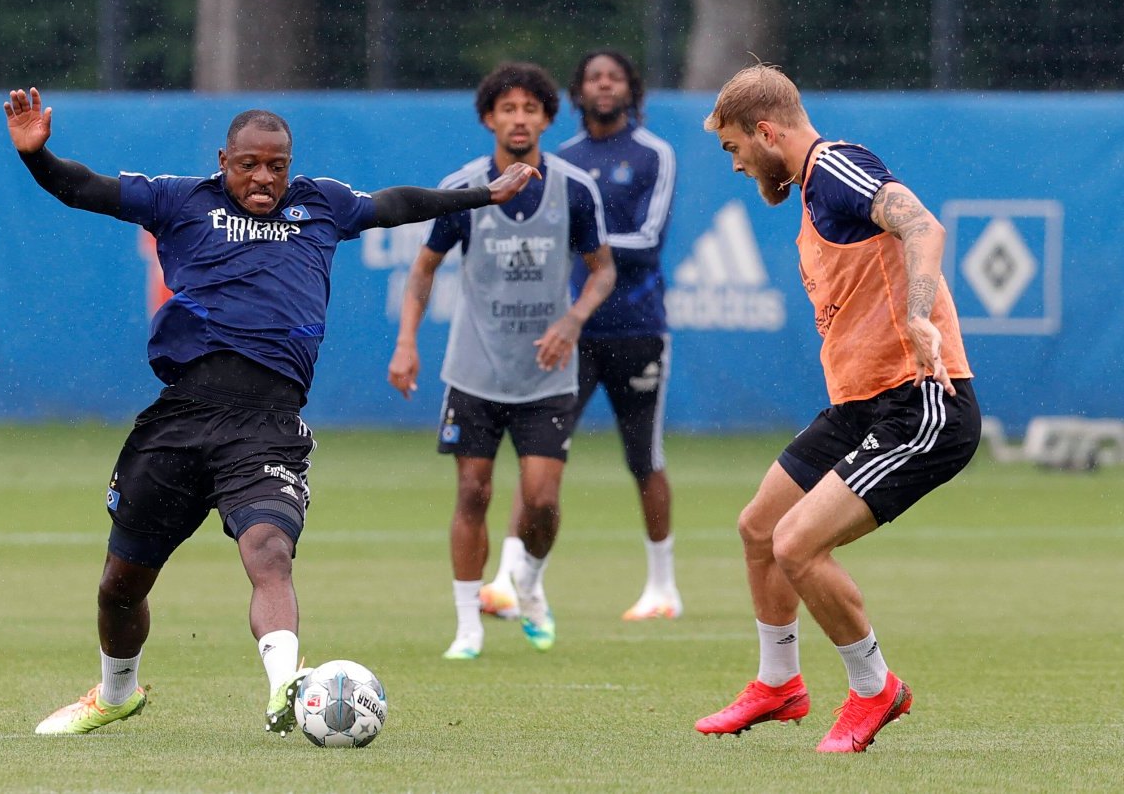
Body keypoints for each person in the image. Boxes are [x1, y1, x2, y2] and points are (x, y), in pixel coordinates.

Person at [4, 86, 539, 736]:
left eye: (276, 166)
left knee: (268, 552)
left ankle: (286, 684)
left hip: (267, 427)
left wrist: (485, 194)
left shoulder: (322, 205)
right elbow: (82, 188)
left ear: (291, 165)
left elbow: (397, 204)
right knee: (120, 586)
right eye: (249, 164)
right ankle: (117, 692)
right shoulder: (180, 199)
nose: (263, 178)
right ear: (223, 159)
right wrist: (39, 158)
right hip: (179, 421)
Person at [693, 64, 981, 753]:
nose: (735, 165)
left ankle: (875, 687)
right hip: (860, 407)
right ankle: (779, 684)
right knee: (760, 527)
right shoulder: (811, 191)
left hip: (920, 404)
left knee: (798, 543)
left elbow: (924, 227)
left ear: (766, 132)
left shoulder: (835, 169)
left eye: (734, 148)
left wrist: (919, 317)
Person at [386, 62, 616, 660]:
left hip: (545, 374)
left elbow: (602, 270)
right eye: (507, 109)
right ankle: (468, 624)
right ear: (489, 118)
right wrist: (406, 343)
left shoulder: (573, 189)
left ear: (545, 118)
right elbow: (424, 271)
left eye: (530, 109)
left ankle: (529, 588)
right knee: (473, 492)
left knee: (540, 499)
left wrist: (572, 320)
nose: (519, 119)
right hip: (475, 370)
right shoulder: (463, 189)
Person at [479, 49, 681, 623]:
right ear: (577, 91)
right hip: (570, 332)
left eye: (614, 76)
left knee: (644, 456)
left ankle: (662, 587)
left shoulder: (654, 154)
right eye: (593, 77)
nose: (604, 85)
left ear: (630, 87)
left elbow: (647, 241)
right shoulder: (559, 158)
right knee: (539, 453)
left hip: (639, 329)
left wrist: (585, 239)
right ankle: (507, 580)